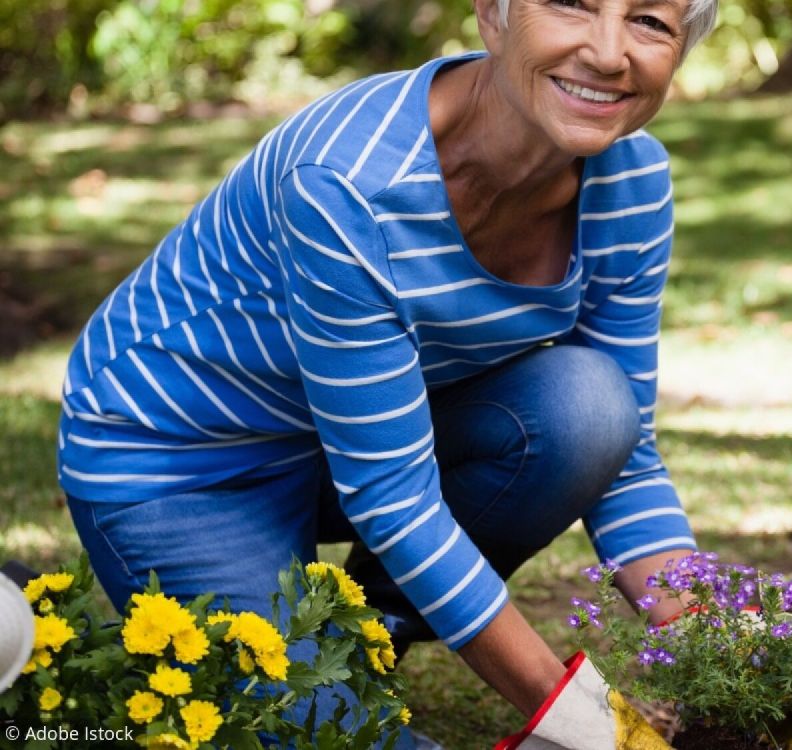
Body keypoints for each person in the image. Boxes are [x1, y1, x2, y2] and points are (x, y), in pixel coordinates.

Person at [57, 0, 717, 744]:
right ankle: (307, 671)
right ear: (493, 17)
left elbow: (624, 461)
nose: (606, 52)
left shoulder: (633, 182)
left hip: (353, 442)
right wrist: (583, 718)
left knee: (589, 408)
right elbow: (394, 498)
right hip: (186, 461)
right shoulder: (347, 179)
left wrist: (728, 646)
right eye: (571, 3)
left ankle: (359, 643)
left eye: (650, 22)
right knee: (323, 732)